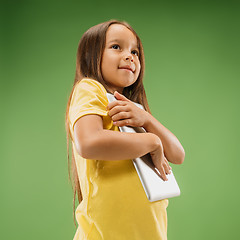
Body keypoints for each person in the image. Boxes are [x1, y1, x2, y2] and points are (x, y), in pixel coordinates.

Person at [65, 19, 185, 240]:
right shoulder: (90, 89)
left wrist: (146, 119)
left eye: (135, 51)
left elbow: (178, 154)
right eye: (116, 47)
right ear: (90, 56)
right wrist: (151, 141)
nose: (130, 56)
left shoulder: (132, 110)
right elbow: (88, 142)